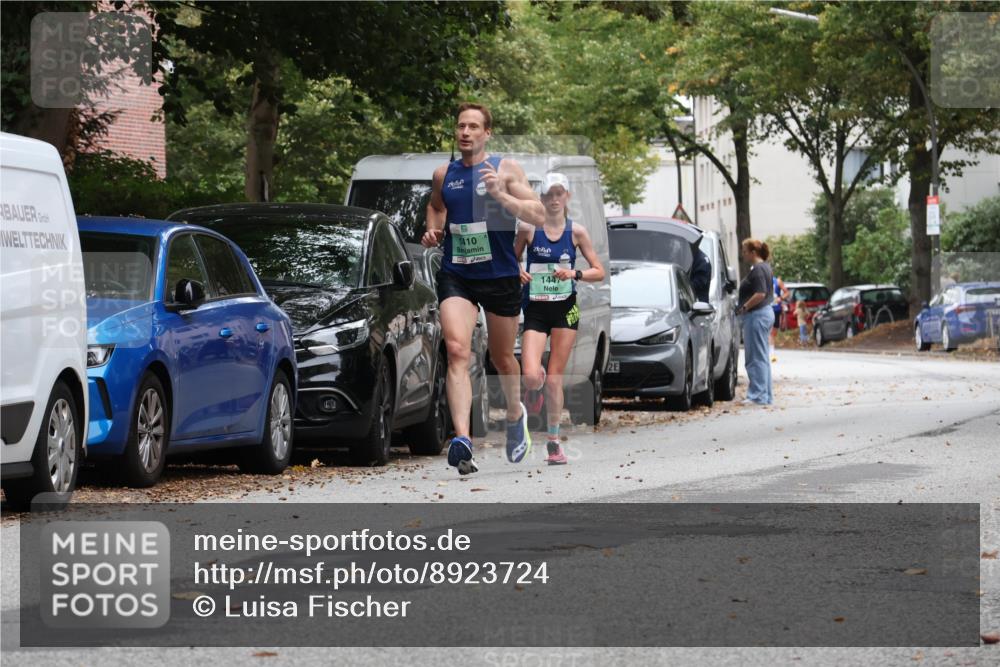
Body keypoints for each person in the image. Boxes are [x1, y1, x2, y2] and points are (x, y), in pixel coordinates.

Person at [421, 102, 546, 475]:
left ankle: (514, 411)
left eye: (474, 126)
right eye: (461, 125)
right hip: (456, 271)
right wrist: (434, 230)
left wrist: (501, 196)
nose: (466, 132)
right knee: (458, 350)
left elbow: (538, 214)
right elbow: (436, 207)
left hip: (499, 273)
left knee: (501, 357)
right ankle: (462, 439)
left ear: (487, 133)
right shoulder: (445, 173)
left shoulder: (506, 169)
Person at [513, 173, 605, 465]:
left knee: (554, 379)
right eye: (549, 194)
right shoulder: (529, 228)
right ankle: (534, 385)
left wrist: (574, 274)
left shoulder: (576, 232)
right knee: (530, 375)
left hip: (566, 309)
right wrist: (518, 271)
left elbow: (598, 270)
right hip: (537, 309)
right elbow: (510, 259)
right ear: (541, 199)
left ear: (567, 197)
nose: (554, 200)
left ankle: (553, 442)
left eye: (559, 194)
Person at [736, 239, 775, 405]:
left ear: (753, 252)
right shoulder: (765, 267)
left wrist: (744, 307)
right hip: (764, 313)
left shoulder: (758, 269)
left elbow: (760, 293)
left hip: (757, 315)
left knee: (755, 357)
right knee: (762, 356)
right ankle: (766, 396)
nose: (742, 254)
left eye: (744, 251)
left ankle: (757, 396)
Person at [769, 274, 789, 360]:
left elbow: (787, 292)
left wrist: (780, 298)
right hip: (765, 309)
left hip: (776, 308)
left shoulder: (777, 281)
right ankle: (771, 352)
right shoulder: (760, 280)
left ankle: (770, 349)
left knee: (774, 331)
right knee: (769, 331)